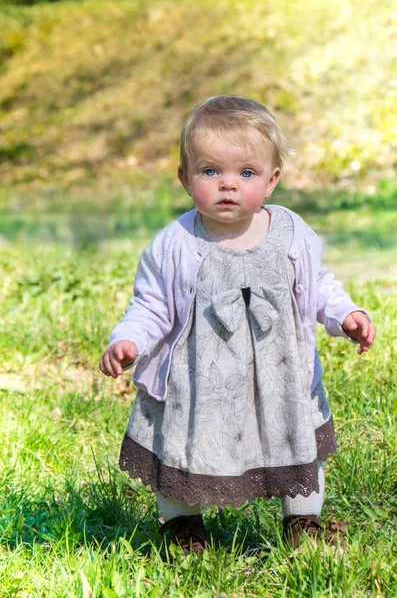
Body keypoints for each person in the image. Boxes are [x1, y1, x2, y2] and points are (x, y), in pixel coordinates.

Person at [99, 96, 375, 554]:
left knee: (294, 439)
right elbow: (150, 304)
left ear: (271, 181)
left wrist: (345, 315)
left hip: (279, 378)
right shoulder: (176, 244)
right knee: (179, 448)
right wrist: (128, 339)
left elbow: (318, 285)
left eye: (246, 173)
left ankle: (302, 519)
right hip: (200, 384)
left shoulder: (291, 233)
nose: (228, 185)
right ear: (185, 179)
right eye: (210, 172)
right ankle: (182, 526)